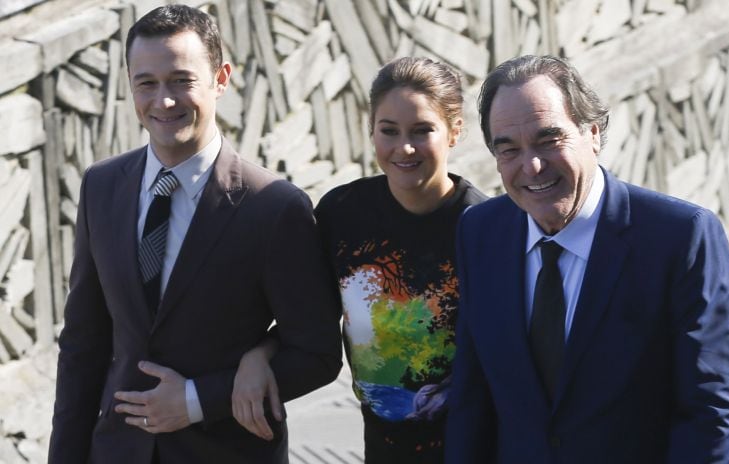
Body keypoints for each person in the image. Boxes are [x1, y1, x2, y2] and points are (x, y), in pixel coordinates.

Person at [48, 5, 341, 464]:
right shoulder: (101, 186)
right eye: (147, 82)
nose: (163, 101)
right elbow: (83, 344)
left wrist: (199, 399)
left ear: (221, 78)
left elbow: (318, 352)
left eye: (181, 80)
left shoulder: (275, 206)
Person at [444, 54, 729, 463]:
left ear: (593, 133)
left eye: (548, 140)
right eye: (509, 150)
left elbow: (712, 409)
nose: (531, 166)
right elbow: (471, 393)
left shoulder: (680, 237)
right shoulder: (479, 232)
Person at [232, 57, 487, 463]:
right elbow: (314, 314)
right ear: (371, 131)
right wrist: (259, 353)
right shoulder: (342, 213)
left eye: (422, 131)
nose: (404, 147)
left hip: (473, 448)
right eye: (389, 130)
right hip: (382, 448)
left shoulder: (485, 227)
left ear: (455, 132)